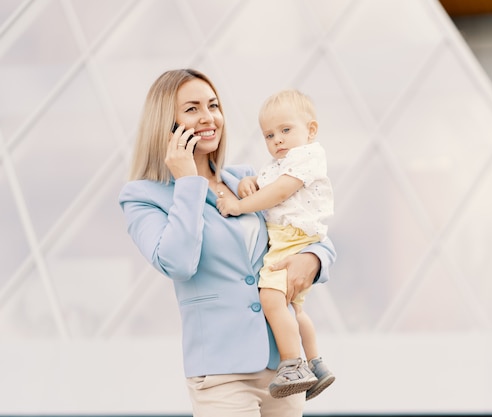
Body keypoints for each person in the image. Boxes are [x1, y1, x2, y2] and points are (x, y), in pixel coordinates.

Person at [118, 69, 336, 417]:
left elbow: (305, 225)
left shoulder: (247, 180)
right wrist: (188, 181)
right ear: (166, 123)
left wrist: (314, 258)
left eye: (214, 105)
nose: (209, 117)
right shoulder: (143, 196)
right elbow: (178, 263)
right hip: (222, 373)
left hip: (284, 367)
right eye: (192, 109)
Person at [216, 89, 335, 401]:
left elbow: (279, 192)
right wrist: (246, 185)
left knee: (270, 297)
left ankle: (292, 364)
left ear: (311, 130)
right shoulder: (278, 162)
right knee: (295, 309)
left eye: (285, 130)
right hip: (294, 238)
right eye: (269, 135)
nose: (277, 140)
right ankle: (316, 363)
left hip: (290, 239)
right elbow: (264, 185)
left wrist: (240, 205)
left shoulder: (307, 156)